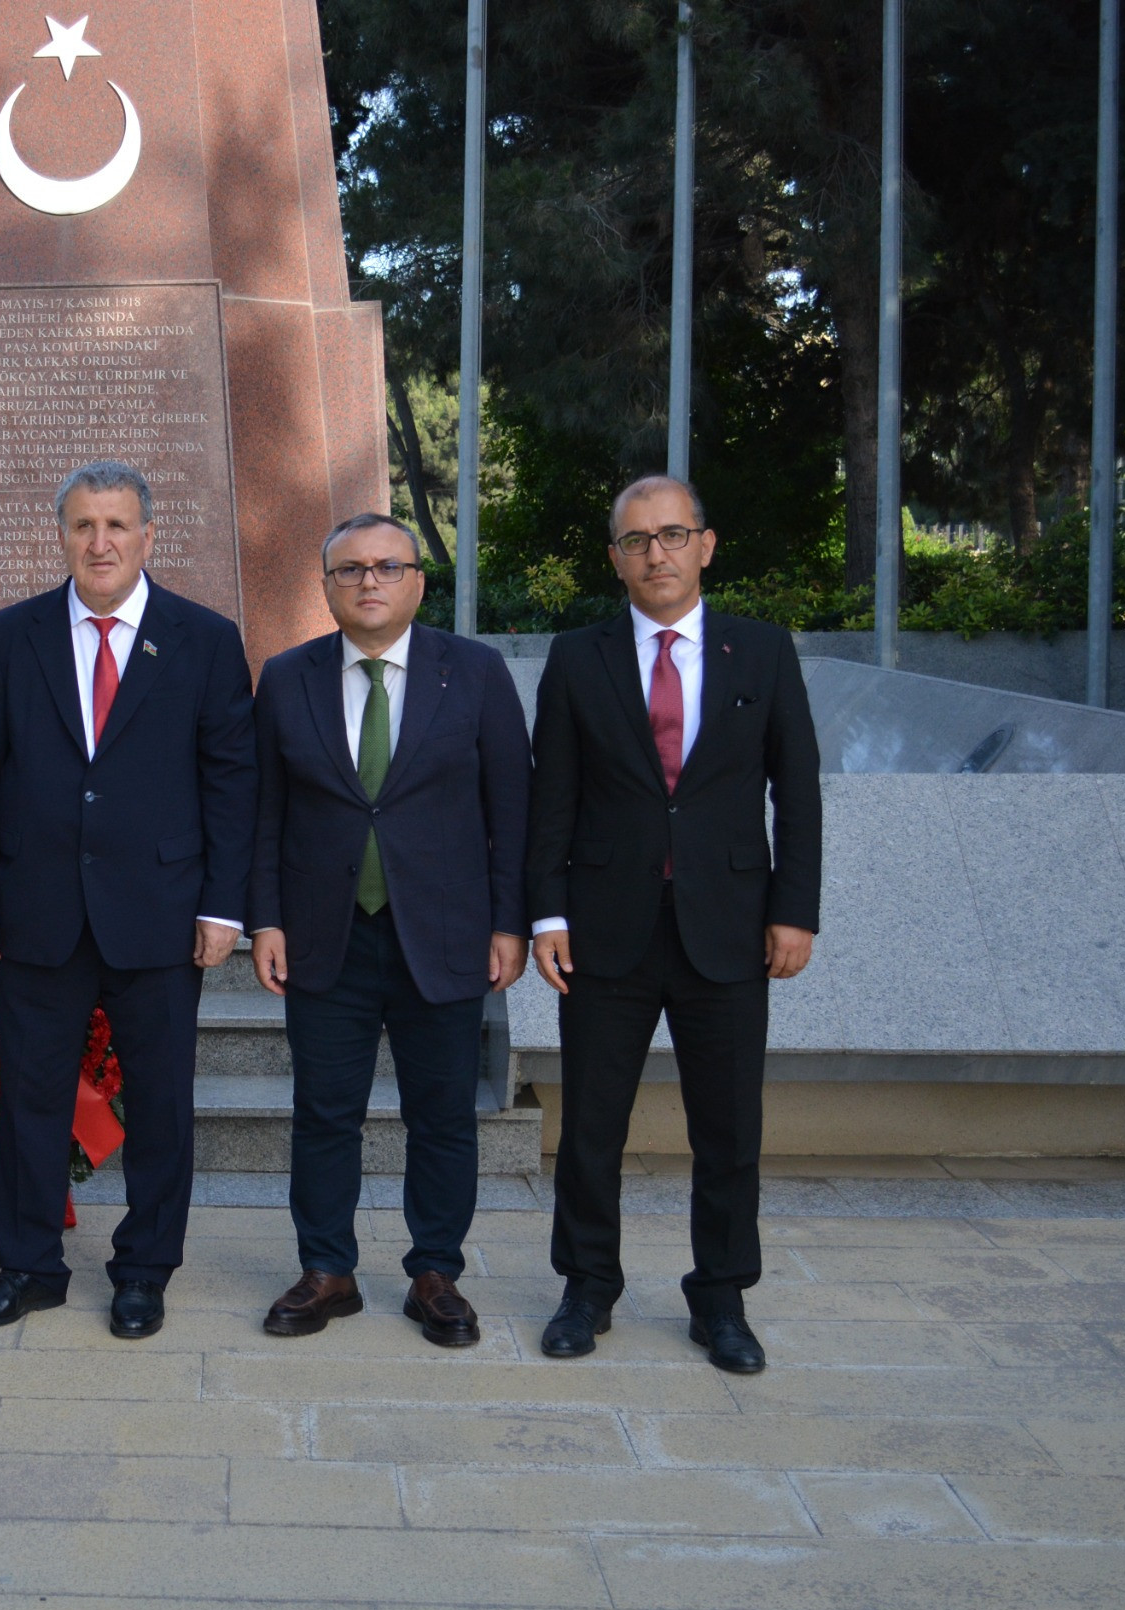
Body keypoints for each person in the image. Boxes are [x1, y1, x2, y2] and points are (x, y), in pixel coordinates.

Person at [0, 460, 256, 1340]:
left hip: (160, 912)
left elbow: (232, 782)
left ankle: (145, 1272)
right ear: (62, 537)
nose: (101, 542)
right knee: (31, 1098)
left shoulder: (202, 638)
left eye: (117, 525)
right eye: (84, 525)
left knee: (160, 1104)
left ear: (148, 536)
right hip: (35, 910)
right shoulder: (12, 635)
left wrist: (223, 908)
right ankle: (29, 1266)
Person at [527, 475, 821, 1374]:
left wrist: (794, 912)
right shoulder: (579, 657)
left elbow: (797, 792)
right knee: (591, 1129)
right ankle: (586, 1287)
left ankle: (722, 1299)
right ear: (613, 557)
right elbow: (552, 799)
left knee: (728, 1127)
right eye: (636, 540)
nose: (656, 553)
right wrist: (546, 913)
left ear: (706, 544)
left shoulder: (762, 653)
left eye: (672, 535)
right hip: (606, 931)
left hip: (729, 930)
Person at [249, 514, 530, 1344]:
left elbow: (512, 808)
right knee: (322, 1112)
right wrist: (263, 918)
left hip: (441, 936)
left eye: (387, 567)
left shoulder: (474, 673)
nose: (368, 582)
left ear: (417, 580)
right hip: (323, 934)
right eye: (349, 570)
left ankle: (436, 1272)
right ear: (326, 585)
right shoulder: (286, 676)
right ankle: (326, 1269)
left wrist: (509, 922)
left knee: (441, 1113)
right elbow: (265, 812)